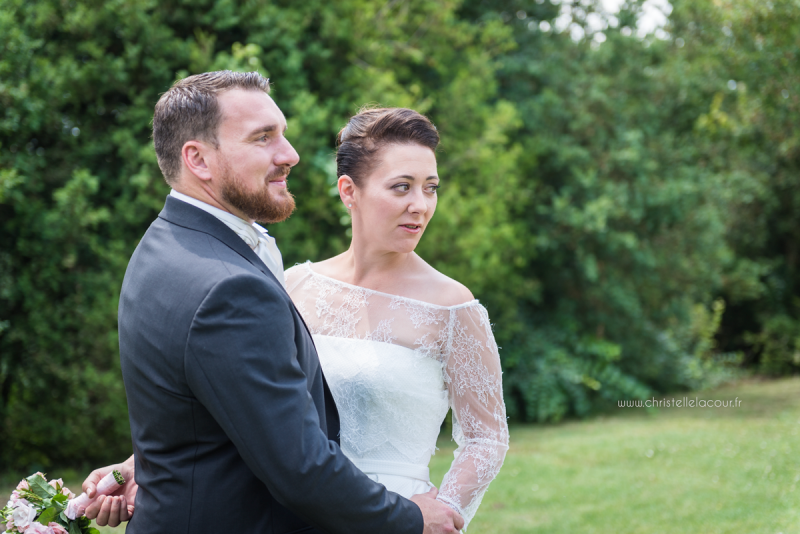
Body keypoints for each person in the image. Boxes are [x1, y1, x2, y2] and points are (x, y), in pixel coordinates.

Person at [81, 70, 463, 534]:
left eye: (282, 134)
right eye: (263, 138)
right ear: (198, 159)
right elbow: (298, 467)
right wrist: (412, 518)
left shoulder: (165, 245)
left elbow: (207, 406)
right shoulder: (228, 287)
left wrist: (149, 463)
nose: (291, 155)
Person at [283, 108, 509, 531]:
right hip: (294, 513)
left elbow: (487, 437)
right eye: (401, 187)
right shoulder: (294, 286)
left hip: (400, 517)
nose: (420, 205)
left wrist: (443, 511)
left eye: (430, 188)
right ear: (349, 191)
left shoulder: (452, 307)